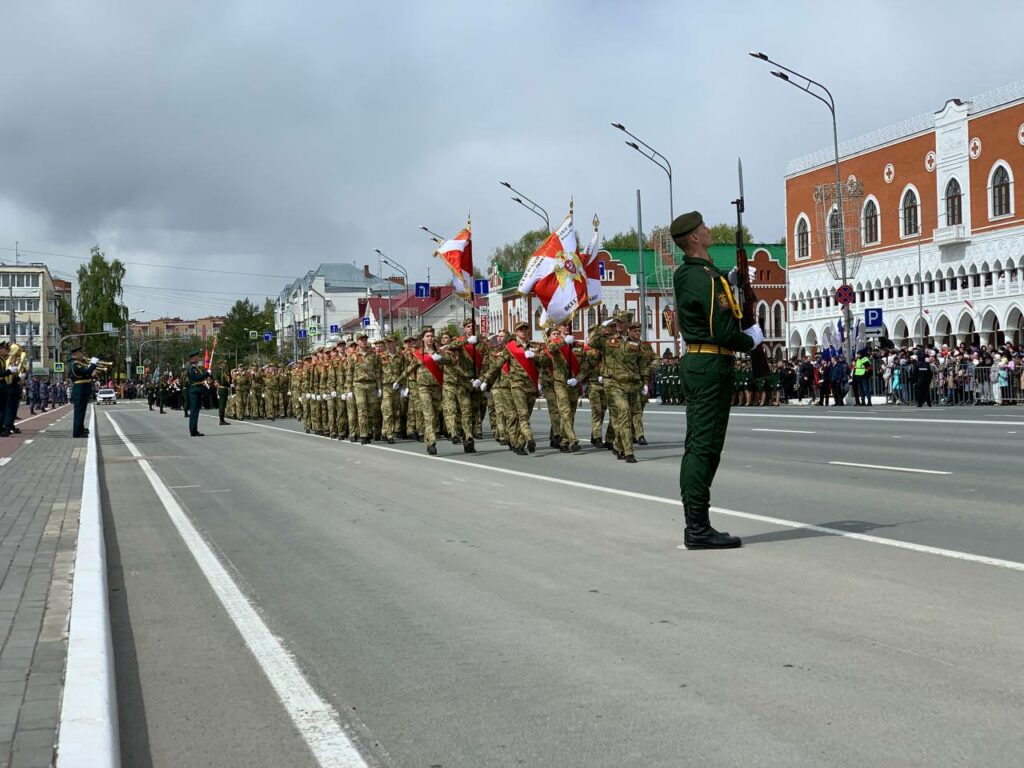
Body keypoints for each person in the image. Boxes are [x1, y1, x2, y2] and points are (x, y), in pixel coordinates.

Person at [671, 210, 761, 550]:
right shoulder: (705, 279)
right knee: (704, 448)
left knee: (702, 445)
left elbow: (708, 287)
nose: (708, 230)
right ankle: (697, 528)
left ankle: (699, 524)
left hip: (700, 362)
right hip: (710, 364)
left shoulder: (696, 274)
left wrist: (730, 278)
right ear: (694, 238)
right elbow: (723, 330)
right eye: (703, 228)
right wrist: (750, 340)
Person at [68, 346, 99, 438]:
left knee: (82, 412)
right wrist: (93, 364)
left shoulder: (79, 364)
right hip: (80, 390)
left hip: (83, 389)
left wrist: (91, 373)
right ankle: (77, 432)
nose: (82, 355)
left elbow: (86, 374)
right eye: (80, 353)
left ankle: (80, 430)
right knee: (79, 412)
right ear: (75, 355)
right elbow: (85, 372)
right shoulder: (75, 364)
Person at [186, 350, 211, 436]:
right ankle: (193, 430)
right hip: (195, 391)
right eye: (196, 356)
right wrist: (206, 373)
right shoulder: (192, 368)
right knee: (194, 411)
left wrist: (207, 375)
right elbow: (198, 378)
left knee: (195, 411)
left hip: (197, 390)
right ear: (193, 358)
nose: (198, 358)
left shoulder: (195, 367)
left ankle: (194, 430)